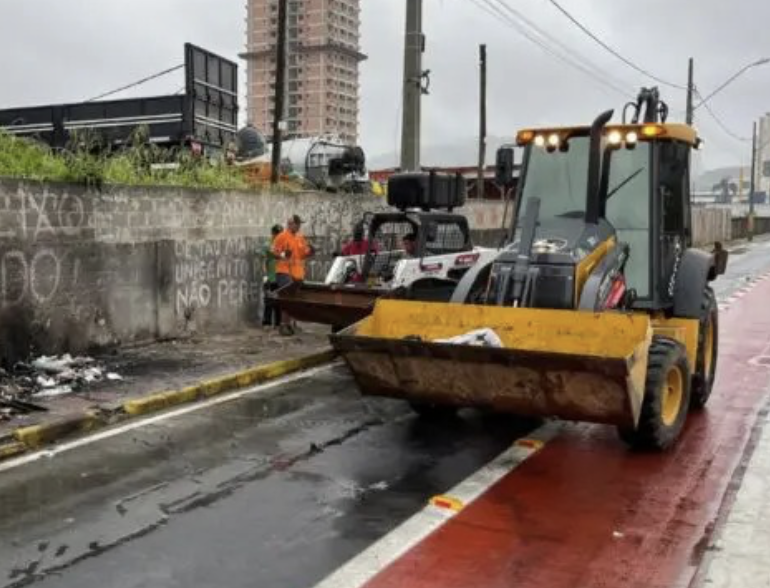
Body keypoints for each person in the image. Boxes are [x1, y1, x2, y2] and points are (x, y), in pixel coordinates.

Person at [272, 214, 315, 336]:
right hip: (284, 270)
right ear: (291, 224)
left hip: (297, 273)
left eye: (299, 224)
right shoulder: (281, 236)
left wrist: (311, 252)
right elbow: (273, 252)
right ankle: (283, 325)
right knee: (287, 298)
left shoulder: (300, 237)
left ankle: (289, 325)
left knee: (294, 299)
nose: (299, 226)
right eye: (297, 224)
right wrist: (283, 255)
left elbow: (303, 254)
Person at [261, 224, 283, 329]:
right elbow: (265, 261)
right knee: (269, 300)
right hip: (271, 277)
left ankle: (278, 323)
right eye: (277, 234)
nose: (279, 236)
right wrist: (265, 275)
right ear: (273, 234)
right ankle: (267, 322)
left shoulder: (283, 245)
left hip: (280, 277)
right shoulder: (268, 245)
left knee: (279, 301)